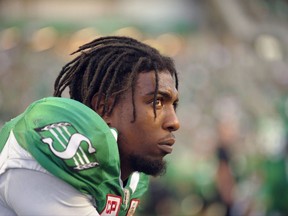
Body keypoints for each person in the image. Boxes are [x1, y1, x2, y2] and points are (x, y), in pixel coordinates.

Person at [0, 36, 180, 216]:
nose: (174, 122)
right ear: (105, 108)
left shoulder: (130, 177)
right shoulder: (51, 151)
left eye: (174, 106)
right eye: (156, 102)